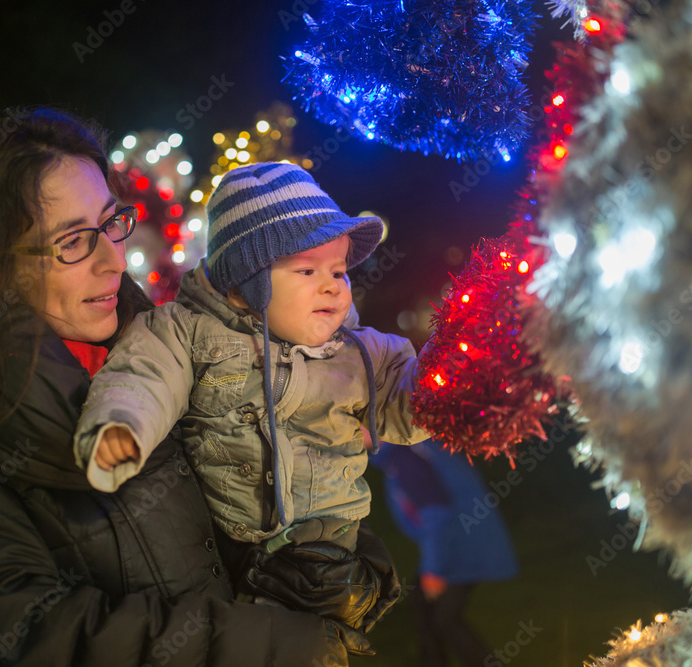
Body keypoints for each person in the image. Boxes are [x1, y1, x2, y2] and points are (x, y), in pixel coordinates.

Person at [0, 107, 383, 666]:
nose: (115, 261)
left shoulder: (167, 347)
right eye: (73, 241)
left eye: (111, 223)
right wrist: (269, 643)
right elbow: (24, 636)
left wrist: (335, 563)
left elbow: (250, 484)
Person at [73, 161, 427, 635]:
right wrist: (122, 425)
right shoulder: (187, 332)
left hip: (331, 545)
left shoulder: (361, 352)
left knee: (310, 645)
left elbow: (410, 409)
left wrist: (450, 379)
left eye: (339, 271)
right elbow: (144, 375)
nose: (332, 285)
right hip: (232, 549)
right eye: (307, 270)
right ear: (246, 284)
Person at [371, 439, 519, 667]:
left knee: (445, 620)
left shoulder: (404, 457)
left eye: (360, 423)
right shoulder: (402, 452)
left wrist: (433, 570)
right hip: (458, 543)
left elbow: (436, 514)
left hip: (460, 547)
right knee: (424, 607)